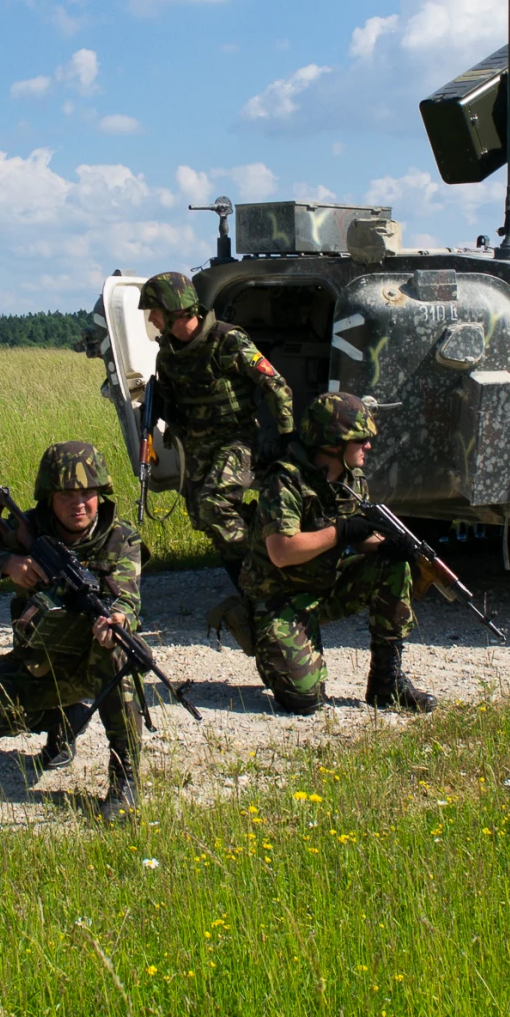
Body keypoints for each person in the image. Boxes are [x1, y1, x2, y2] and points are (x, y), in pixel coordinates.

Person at [0, 440, 146, 821]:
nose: (79, 503)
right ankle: (64, 719)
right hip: (39, 664)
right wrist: (8, 563)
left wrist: (117, 620)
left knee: (119, 649)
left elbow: (128, 598)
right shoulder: (27, 530)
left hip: (93, 663)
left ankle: (124, 779)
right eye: (67, 494)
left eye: (88, 493)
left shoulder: (121, 539)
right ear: (48, 497)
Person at [241, 391, 436, 716]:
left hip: (327, 584)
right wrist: (342, 531)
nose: (368, 447)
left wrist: (385, 545)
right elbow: (282, 552)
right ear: (332, 443)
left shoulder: (352, 480)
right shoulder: (285, 481)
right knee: (304, 701)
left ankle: (387, 683)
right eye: (360, 440)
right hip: (282, 596)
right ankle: (269, 647)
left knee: (391, 564)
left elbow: (359, 540)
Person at [136, 270, 293, 590]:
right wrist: (153, 412)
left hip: (235, 439)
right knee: (202, 515)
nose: (151, 319)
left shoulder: (227, 340)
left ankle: (258, 582)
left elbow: (275, 385)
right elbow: (169, 394)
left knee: (214, 504)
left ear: (174, 309)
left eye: (154, 311)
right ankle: (259, 565)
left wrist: (287, 436)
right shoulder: (168, 351)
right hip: (195, 444)